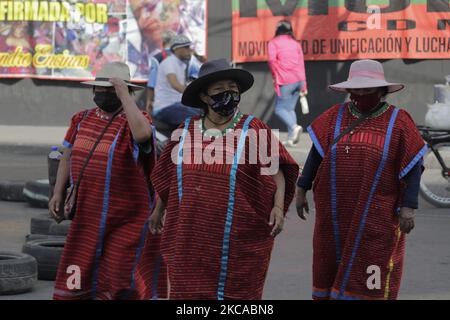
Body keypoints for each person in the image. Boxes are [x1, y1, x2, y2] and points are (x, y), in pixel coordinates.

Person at [148, 59, 299, 299]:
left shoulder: (253, 129)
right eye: (219, 90)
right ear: (205, 98)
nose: (228, 94)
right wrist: (158, 209)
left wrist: (278, 207)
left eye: (232, 88)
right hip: (188, 238)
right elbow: (169, 176)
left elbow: (278, 170)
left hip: (234, 242)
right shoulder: (184, 131)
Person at [296, 59, 427, 300]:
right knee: (329, 266)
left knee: (371, 271)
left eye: (368, 89)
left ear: (381, 90)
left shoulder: (399, 122)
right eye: (357, 89)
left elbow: (413, 167)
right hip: (334, 216)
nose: (362, 94)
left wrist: (408, 208)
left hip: (377, 217)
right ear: (349, 90)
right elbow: (316, 156)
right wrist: (301, 189)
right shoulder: (333, 117)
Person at [49, 62, 166, 300]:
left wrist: (124, 95)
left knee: (120, 279)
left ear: (127, 92)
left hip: (126, 219)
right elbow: (67, 155)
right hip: (87, 216)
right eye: (100, 89)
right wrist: (58, 193)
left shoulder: (137, 121)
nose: (103, 94)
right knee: (80, 274)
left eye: (110, 90)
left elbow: (143, 135)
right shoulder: (81, 119)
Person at [268, 20, 307, 147]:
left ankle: (294, 127)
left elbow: (272, 61)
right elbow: (301, 63)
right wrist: (304, 84)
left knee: (279, 109)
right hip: (299, 80)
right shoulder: (295, 43)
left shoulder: (273, 42)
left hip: (285, 80)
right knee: (289, 109)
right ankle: (292, 138)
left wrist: (275, 77)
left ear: (277, 30)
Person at [152, 34, 202, 127]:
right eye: (186, 47)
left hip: (176, 104)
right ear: (176, 49)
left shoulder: (181, 64)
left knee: (204, 113)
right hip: (165, 107)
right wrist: (195, 95)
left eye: (189, 47)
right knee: (198, 119)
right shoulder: (169, 62)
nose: (189, 50)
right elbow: (175, 85)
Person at [146, 30, 176, 114]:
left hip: (163, 105)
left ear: (163, 42)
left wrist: (149, 101)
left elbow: (152, 83)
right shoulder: (183, 58)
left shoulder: (157, 58)